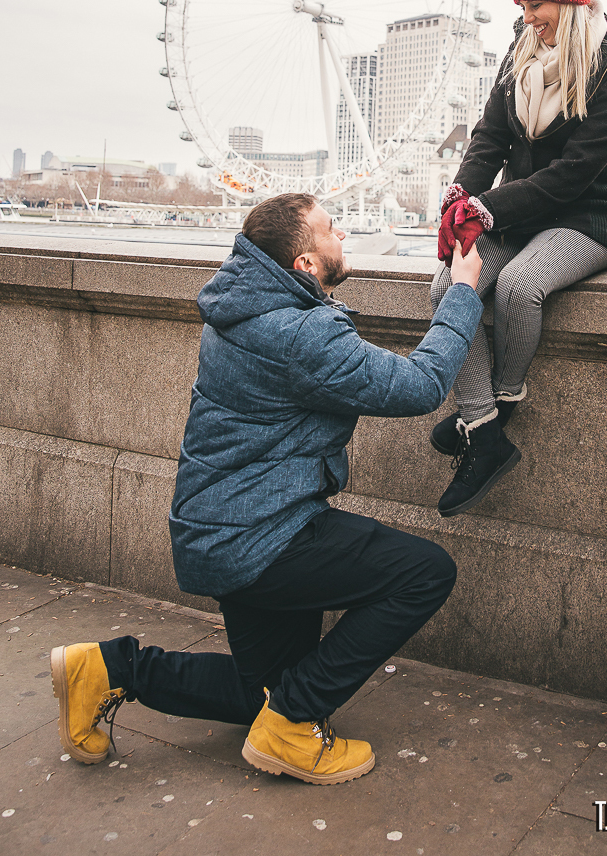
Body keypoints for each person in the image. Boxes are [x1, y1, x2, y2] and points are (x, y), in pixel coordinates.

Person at [50, 193, 483, 785]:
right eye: (333, 231)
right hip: (264, 535)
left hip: (218, 529)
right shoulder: (300, 334)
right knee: (424, 572)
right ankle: (292, 725)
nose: (344, 238)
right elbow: (421, 384)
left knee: (260, 691)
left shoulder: (241, 307)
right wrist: (462, 291)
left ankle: (106, 669)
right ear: (304, 264)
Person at [430, 0, 607, 518]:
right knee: (447, 282)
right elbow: (489, 136)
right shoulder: (523, 46)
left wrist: (487, 205)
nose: (528, 18)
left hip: (586, 221)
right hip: (519, 215)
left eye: (537, 6)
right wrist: (461, 196)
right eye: (523, 6)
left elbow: (573, 175)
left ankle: (499, 407)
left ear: (570, 3)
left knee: (520, 287)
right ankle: (483, 432)